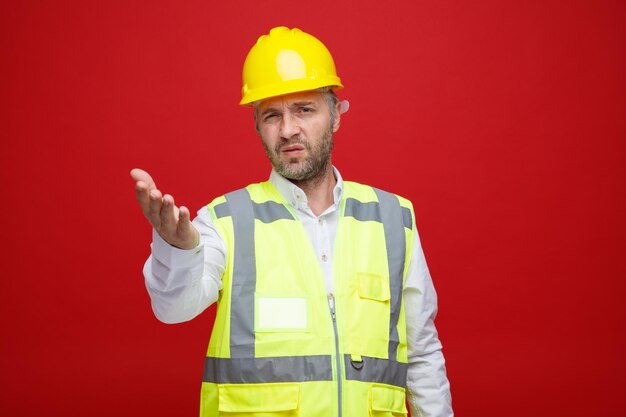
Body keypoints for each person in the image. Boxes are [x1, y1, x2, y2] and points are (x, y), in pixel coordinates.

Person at [131, 26, 453, 417]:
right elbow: (173, 307)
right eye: (272, 115)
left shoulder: (393, 219)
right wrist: (178, 249)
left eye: (304, 109)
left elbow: (422, 356)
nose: (287, 130)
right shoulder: (225, 221)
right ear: (257, 127)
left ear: (335, 115)